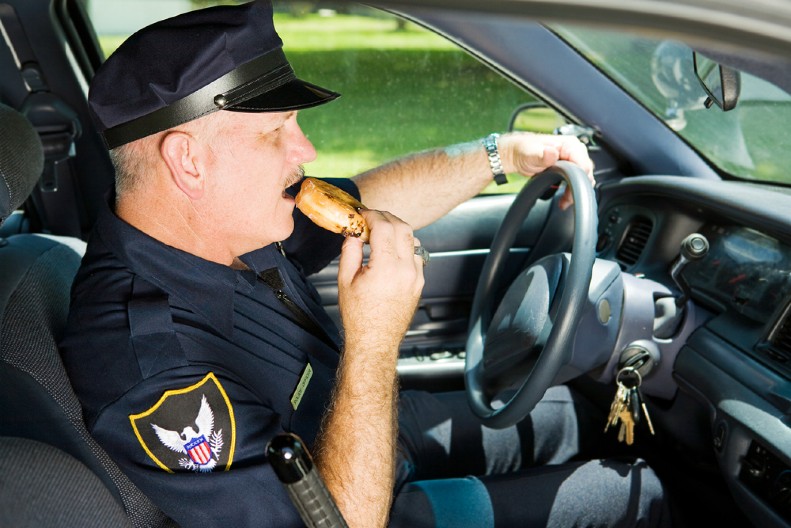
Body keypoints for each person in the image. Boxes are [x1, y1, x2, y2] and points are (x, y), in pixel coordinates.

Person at [59, 2, 669, 527]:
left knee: (577, 413)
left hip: (360, 433)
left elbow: (370, 197)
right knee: (634, 494)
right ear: (188, 162)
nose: (307, 151)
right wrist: (375, 340)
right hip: (362, 500)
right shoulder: (153, 370)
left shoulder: (217, 222)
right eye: (277, 132)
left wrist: (503, 153)